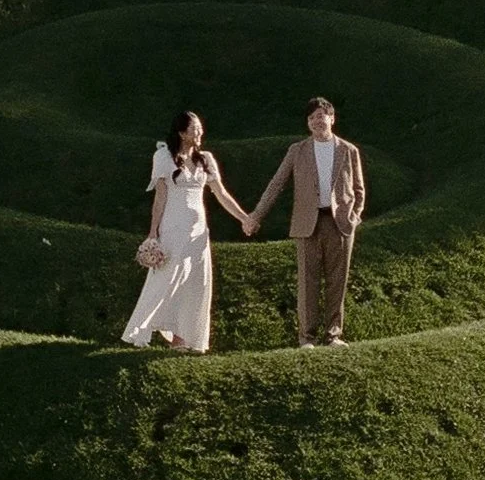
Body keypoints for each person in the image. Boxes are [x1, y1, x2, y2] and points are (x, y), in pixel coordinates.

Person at [121, 111, 255, 353]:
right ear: (182, 132)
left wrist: (244, 218)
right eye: (195, 129)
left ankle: (184, 339)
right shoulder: (164, 156)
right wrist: (153, 233)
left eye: (201, 129)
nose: (200, 133)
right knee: (169, 278)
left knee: (196, 281)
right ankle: (150, 329)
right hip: (173, 227)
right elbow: (160, 197)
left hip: (198, 231)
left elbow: (221, 194)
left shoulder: (206, 159)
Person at [250, 97, 366, 348]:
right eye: (312, 117)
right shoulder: (297, 150)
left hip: (340, 223)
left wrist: (354, 217)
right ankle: (307, 338)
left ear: (332, 118)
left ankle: (333, 335)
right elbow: (276, 185)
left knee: (338, 280)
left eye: (322, 116)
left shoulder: (348, 150)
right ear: (308, 123)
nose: (317, 121)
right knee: (307, 282)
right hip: (307, 223)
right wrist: (256, 215)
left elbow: (359, 189)